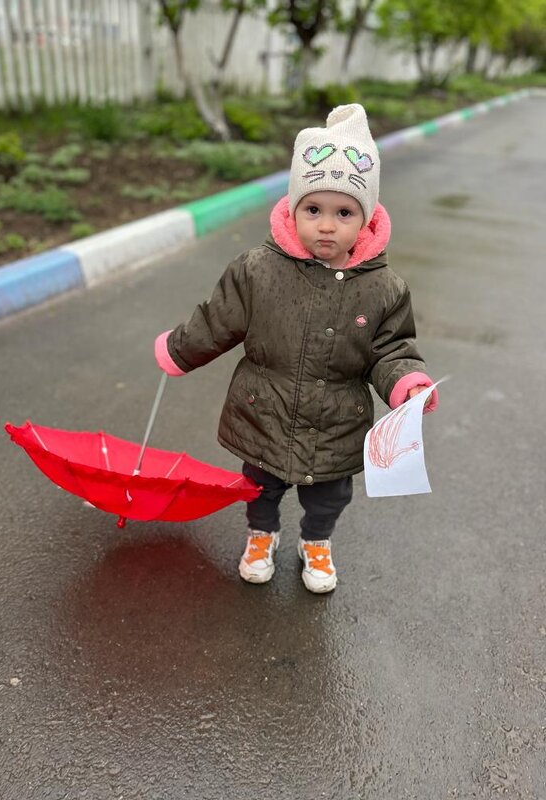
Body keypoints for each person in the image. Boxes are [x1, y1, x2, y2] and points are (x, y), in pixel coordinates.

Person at [154, 104, 438, 593]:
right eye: (314, 210)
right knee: (259, 485)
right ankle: (262, 533)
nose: (326, 226)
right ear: (293, 208)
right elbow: (218, 319)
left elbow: (391, 349)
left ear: (366, 219)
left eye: (343, 213)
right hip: (264, 410)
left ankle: (317, 541)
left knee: (329, 493)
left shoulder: (384, 288)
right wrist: (179, 351)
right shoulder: (258, 270)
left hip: (337, 420)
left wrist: (406, 383)